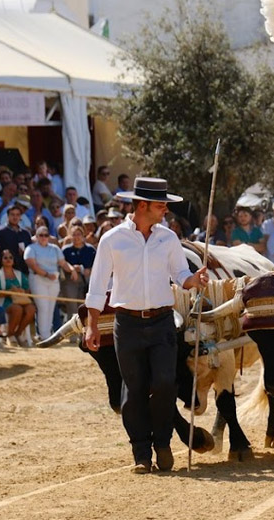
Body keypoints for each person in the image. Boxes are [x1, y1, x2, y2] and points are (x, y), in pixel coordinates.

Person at [84, 177, 208, 474]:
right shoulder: (112, 240)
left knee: (165, 382)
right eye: (160, 204)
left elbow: (181, 273)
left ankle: (162, 443)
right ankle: (141, 452)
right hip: (126, 324)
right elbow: (98, 285)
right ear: (142, 206)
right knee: (134, 390)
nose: (165, 208)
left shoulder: (168, 238)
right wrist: (91, 325)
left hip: (163, 321)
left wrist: (194, 280)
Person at [24, 227, 74, 340]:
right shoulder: (31, 248)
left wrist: (72, 270)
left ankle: (48, 334)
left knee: (51, 308)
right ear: (36, 237)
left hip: (53, 281)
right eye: (41, 235)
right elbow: (32, 265)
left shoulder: (55, 248)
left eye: (46, 235)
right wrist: (46, 274)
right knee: (43, 307)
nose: (43, 237)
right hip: (38, 280)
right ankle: (44, 335)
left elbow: (63, 263)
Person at [0, 250, 34, 346]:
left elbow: (27, 290)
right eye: (5, 258)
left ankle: (17, 333)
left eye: (10, 257)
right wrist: (10, 292)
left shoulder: (19, 274)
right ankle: (10, 335)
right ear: (1, 260)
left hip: (20, 301)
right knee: (17, 309)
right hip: (2, 302)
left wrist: (22, 291)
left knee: (31, 309)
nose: (8, 260)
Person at [0, 205, 33, 275]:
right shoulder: (1, 232)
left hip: (24, 272)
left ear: (20, 217)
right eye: (12, 214)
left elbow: (31, 253)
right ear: (8, 216)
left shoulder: (25, 233)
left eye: (17, 215)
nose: (15, 217)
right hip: (6, 272)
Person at [61, 222, 95, 304]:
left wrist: (89, 270)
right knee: (72, 307)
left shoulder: (90, 249)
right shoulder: (66, 250)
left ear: (83, 236)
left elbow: (98, 265)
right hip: (71, 281)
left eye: (78, 234)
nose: (76, 237)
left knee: (84, 309)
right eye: (74, 234)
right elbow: (61, 263)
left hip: (87, 280)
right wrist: (71, 269)